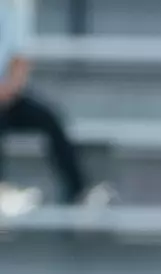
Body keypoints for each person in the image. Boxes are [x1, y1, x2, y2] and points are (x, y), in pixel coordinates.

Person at [0, 0, 98, 213]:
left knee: (50, 120)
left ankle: (78, 190)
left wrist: (8, 89)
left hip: (5, 95)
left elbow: (20, 63)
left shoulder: (12, 11)